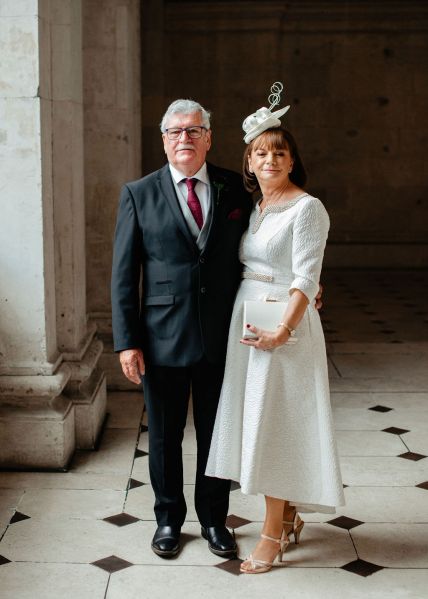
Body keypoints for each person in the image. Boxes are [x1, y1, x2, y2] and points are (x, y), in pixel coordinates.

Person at [206, 83, 345, 574]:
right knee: (258, 421)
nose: (269, 160)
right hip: (249, 318)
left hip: (281, 328)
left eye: (278, 153)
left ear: (291, 160)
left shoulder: (308, 208)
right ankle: (285, 517)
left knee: (276, 428)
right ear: (248, 161)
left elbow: (306, 276)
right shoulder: (260, 207)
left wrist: (283, 331)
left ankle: (271, 534)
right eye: (260, 153)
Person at [111, 99, 253, 558]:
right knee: (165, 437)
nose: (184, 139)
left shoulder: (236, 188)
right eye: (175, 132)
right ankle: (168, 521)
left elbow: (259, 251)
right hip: (160, 338)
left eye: (193, 131)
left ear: (209, 137)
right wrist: (127, 340)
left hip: (221, 334)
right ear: (164, 140)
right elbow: (123, 273)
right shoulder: (139, 193)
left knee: (217, 433)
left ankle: (215, 522)